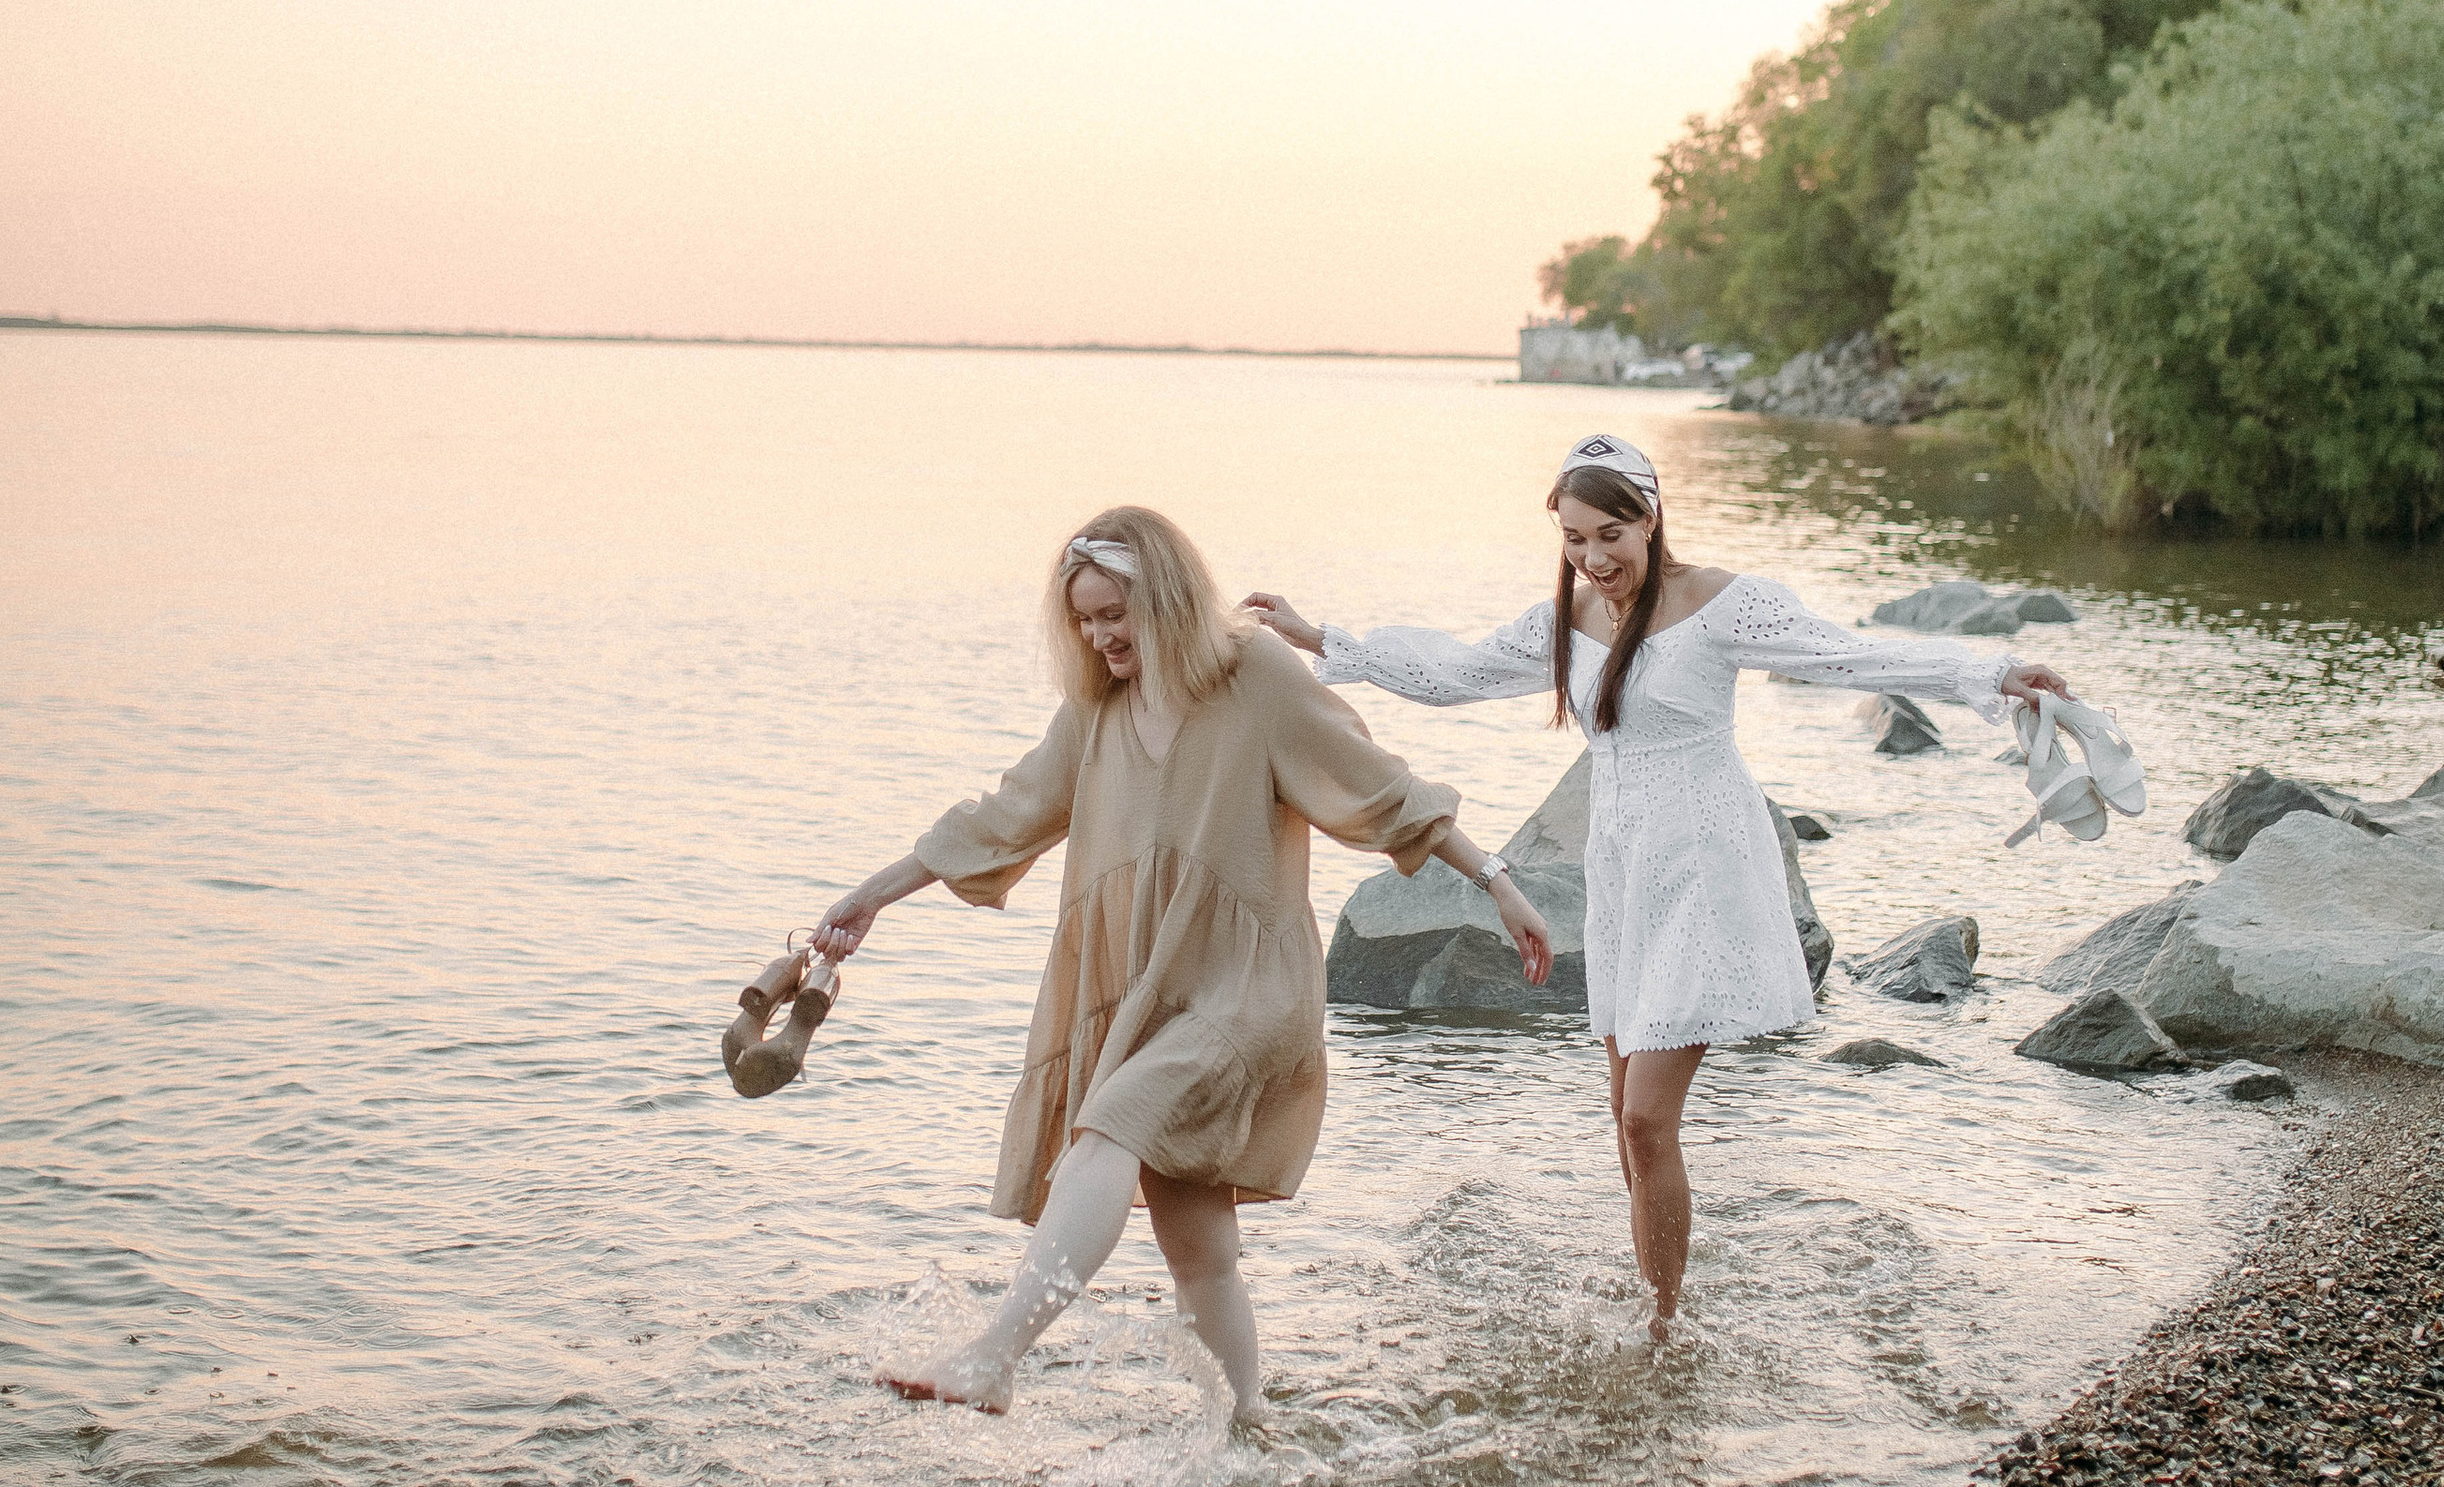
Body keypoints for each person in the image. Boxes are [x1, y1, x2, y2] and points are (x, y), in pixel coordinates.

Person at [1243, 432, 2072, 1336]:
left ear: (1650, 519)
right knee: (1626, 1120)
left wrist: (1991, 674)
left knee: (1644, 1119)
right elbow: (1454, 673)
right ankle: (1658, 1317)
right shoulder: (1563, 623)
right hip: (1623, 870)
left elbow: (1848, 656)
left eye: (1610, 535)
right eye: (1573, 539)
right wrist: (1322, 639)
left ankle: (1667, 1328)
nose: (1593, 559)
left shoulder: (1723, 604)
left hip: (1707, 867)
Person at [812, 505, 1551, 1419]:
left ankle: (995, 1358)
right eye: (1083, 620)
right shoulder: (1096, 711)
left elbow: (1379, 788)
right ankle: (1247, 1430)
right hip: (1150, 996)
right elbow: (1002, 817)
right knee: (1200, 1251)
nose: (1099, 636)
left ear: (1164, 595)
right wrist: (872, 896)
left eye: (1113, 614)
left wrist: (1498, 883)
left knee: (1107, 1127)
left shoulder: (1256, 675)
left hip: (1249, 989)